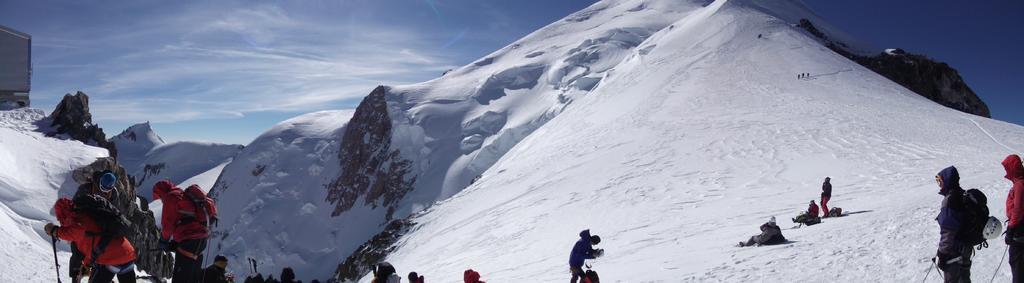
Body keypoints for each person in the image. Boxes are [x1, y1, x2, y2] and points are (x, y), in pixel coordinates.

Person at [45, 198, 137, 283]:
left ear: (62, 215)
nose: (58, 219)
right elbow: (93, 245)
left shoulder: (78, 222)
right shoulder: (88, 216)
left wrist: (54, 231)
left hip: (112, 259)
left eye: (59, 217)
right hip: (127, 254)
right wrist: (86, 265)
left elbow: (70, 233)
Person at [153, 180, 211, 283]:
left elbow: (167, 226)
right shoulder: (184, 195)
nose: (161, 200)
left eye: (159, 197)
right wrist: (176, 243)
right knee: (193, 278)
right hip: (202, 241)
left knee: (180, 279)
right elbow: (187, 221)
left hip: (189, 242)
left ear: (161, 192)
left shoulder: (170, 197)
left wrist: (163, 241)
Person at [935, 166, 972, 282]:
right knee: (964, 278)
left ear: (947, 180)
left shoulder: (950, 199)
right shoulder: (963, 194)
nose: (939, 185)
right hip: (966, 246)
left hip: (954, 251)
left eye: (940, 181)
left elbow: (948, 230)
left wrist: (942, 253)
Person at [1004, 155, 1024, 282]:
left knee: (1018, 266)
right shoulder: (1020, 182)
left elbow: (1018, 209)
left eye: (1007, 168)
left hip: (1019, 231)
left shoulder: (1020, 184)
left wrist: (1011, 228)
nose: (1006, 171)